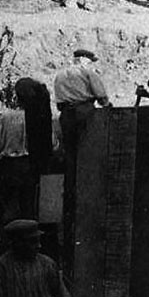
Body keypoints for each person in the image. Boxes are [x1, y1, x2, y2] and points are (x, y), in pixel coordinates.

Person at [53, 48, 111, 276]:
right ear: (85, 60)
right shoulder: (87, 71)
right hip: (85, 113)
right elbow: (101, 95)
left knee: (71, 154)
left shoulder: (60, 74)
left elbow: (58, 104)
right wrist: (107, 107)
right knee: (89, 153)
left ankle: (71, 184)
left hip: (66, 115)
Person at [0, 78, 56, 225]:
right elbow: (53, 145)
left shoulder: (6, 117)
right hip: (29, 166)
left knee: (0, 205)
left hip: (8, 167)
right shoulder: (40, 118)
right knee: (28, 207)